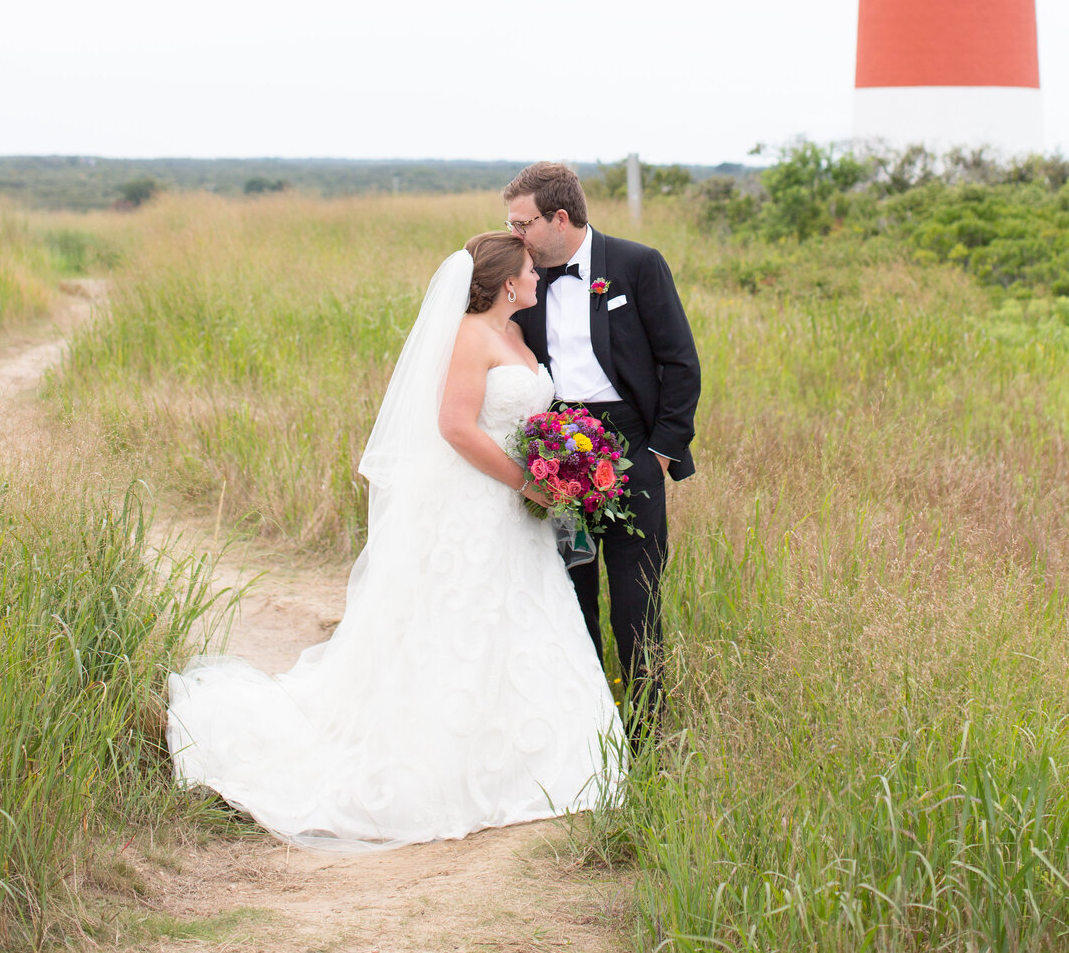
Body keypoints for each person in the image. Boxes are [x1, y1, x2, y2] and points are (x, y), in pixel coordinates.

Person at [166, 232, 624, 850]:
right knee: (459, 623)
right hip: (476, 503)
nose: (539, 278)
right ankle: (445, 765)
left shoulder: (516, 335)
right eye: (529, 271)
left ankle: (540, 762)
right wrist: (530, 481)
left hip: (519, 513)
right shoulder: (467, 335)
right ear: (507, 281)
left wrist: (556, 465)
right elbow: (456, 427)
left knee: (523, 621)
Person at [504, 162, 701, 721]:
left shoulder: (637, 265)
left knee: (638, 606)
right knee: (571, 598)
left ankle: (647, 741)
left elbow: (680, 365)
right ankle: (589, 735)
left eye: (523, 224)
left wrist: (659, 454)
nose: (514, 235)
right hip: (555, 457)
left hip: (633, 449)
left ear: (559, 217)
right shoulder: (523, 276)